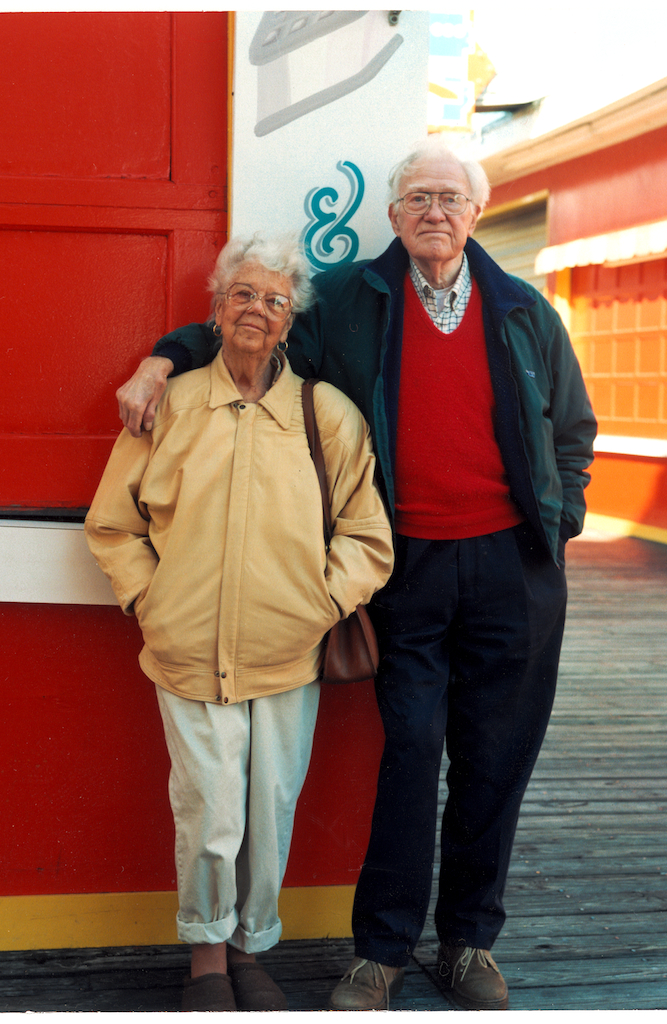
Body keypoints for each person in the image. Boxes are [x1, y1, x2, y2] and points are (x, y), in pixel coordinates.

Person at [115, 137, 597, 1011]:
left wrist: (554, 533)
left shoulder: (523, 309)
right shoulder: (351, 299)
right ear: (392, 214)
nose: (433, 213)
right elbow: (251, 322)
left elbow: (572, 428)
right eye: (416, 198)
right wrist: (163, 354)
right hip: (406, 569)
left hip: (512, 571)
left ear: (476, 212)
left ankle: (467, 943)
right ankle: (379, 951)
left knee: (494, 762)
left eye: (449, 199)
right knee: (409, 755)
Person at [85, 234, 394, 1012]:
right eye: (243, 295)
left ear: (291, 322)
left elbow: (366, 536)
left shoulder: (325, 415)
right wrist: (150, 600)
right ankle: (206, 956)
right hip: (188, 648)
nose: (257, 310)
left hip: (288, 651)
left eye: (274, 300)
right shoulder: (171, 404)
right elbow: (112, 525)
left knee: (270, 808)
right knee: (210, 809)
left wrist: (319, 603)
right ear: (215, 311)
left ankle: (254, 946)